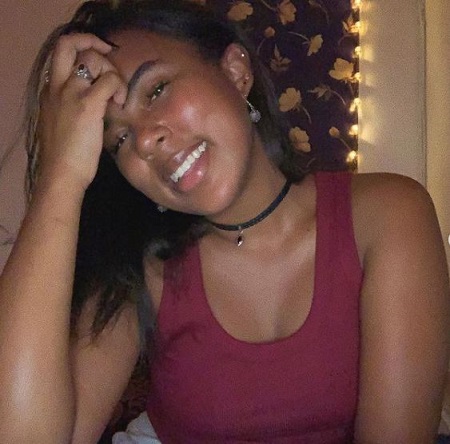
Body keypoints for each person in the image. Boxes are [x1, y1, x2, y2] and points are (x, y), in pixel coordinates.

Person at [0, 0, 449, 443]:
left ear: (235, 72)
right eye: (118, 140)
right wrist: (60, 174)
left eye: (156, 90)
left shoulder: (387, 215)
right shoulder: (144, 267)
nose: (145, 141)